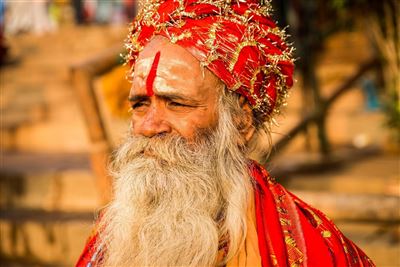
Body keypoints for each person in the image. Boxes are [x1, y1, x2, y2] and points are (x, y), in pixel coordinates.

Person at [76, 0, 375, 266]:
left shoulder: (313, 250)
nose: (149, 125)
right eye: (140, 105)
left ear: (240, 122)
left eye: (176, 103)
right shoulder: (114, 233)